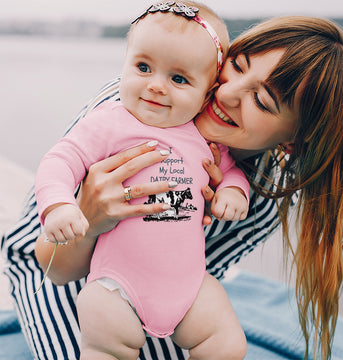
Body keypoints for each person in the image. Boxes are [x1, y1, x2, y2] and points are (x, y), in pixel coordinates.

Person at [2, 14, 343, 360]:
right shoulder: (139, 101)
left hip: (153, 288)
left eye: (262, 101)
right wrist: (90, 214)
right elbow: (56, 268)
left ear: (292, 142)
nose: (227, 93)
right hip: (52, 262)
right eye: (237, 65)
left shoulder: (263, 198)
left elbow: (188, 288)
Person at [34, 2, 249, 359]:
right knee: (106, 346)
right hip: (116, 285)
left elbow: (231, 171)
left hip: (189, 286)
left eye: (178, 79)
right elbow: (60, 159)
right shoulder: (110, 122)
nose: (156, 86)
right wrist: (58, 205)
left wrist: (233, 191)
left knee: (226, 343)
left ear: (207, 93)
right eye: (143, 67)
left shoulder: (200, 136)